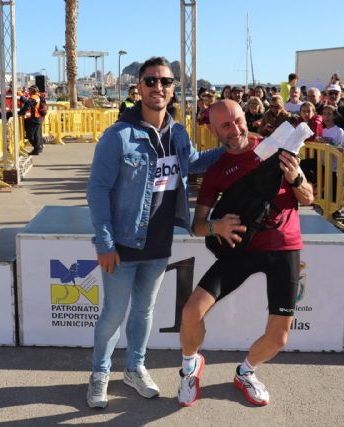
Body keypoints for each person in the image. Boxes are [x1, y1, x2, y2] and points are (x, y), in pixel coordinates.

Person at [85, 56, 225, 409]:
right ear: (139, 87)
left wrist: (232, 148)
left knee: (143, 312)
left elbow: (192, 162)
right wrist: (104, 243)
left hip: (160, 241)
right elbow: (97, 191)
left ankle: (134, 368)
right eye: (150, 81)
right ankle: (100, 373)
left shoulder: (177, 132)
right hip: (122, 244)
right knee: (113, 315)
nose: (157, 87)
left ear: (173, 89)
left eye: (165, 81)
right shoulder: (118, 136)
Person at [177, 99, 313, 408]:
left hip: (284, 247)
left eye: (238, 120)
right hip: (241, 249)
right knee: (190, 312)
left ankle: (246, 372)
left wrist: (296, 178)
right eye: (225, 125)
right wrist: (216, 227)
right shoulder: (216, 170)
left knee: (279, 338)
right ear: (213, 131)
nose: (235, 129)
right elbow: (197, 225)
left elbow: (308, 198)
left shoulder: (276, 149)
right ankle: (189, 367)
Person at [19, 85, 44, 155]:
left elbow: (28, 103)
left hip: (35, 119)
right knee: (36, 136)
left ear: (33, 91)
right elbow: (28, 102)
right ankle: (37, 149)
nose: (28, 91)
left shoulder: (34, 97)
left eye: (29, 90)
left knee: (29, 135)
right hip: (36, 118)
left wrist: (21, 96)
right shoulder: (35, 97)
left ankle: (37, 148)